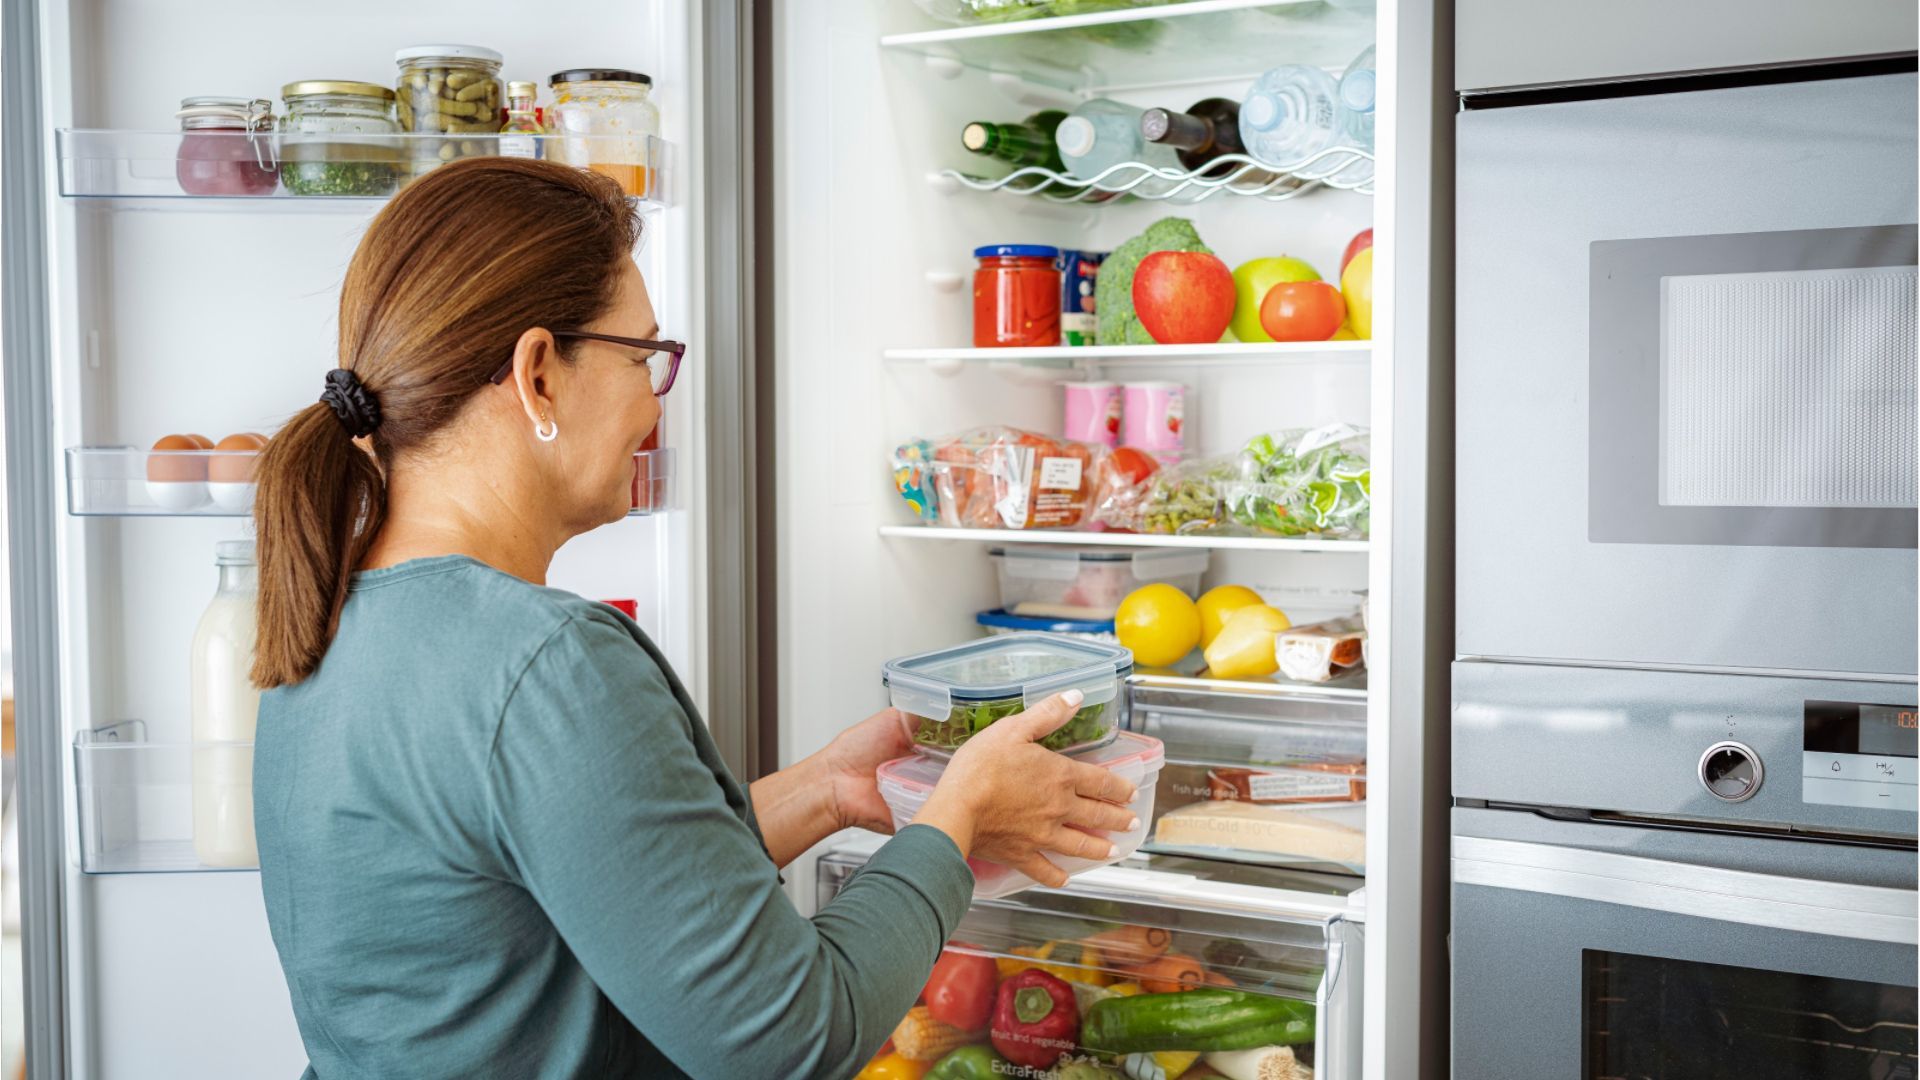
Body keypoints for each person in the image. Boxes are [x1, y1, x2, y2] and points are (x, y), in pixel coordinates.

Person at [247, 157, 1138, 1080]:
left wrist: (826, 791)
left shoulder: (326, 619)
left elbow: (587, 891)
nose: (651, 400)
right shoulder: (545, 662)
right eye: (643, 357)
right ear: (538, 375)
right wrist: (955, 821)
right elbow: (794, 1036)